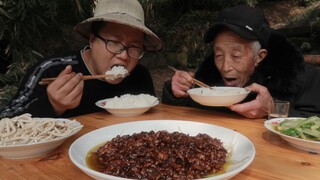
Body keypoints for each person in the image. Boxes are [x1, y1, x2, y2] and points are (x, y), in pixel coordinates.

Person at [0, 0, 163, 118]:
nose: (124, 55)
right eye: (113, 42)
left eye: (134, 47)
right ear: (92, 40)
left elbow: (150, 122)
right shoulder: (51, 70)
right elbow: (5, 120)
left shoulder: (140, 76)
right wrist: (51, 105)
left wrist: (173, 93)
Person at [162, 5, 320, 118]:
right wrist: (175, 91)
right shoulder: (206, 79)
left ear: (260, 56)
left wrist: (272, 110)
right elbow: (180, 115)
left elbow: (314, 125)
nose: (225, 67)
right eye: (219, 55)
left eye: (236, 56)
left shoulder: (301, 77)